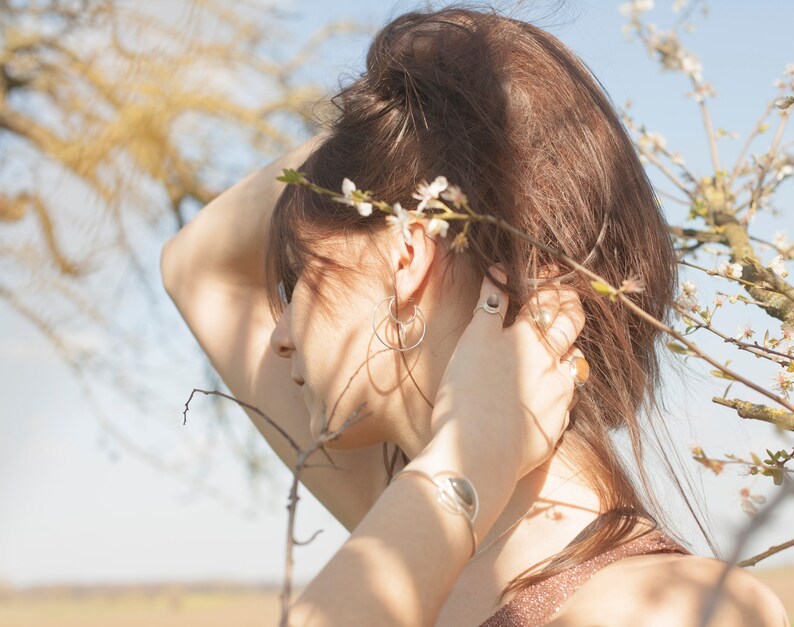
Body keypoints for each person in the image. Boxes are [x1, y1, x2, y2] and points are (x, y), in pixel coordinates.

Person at [160, 7, 788, 626]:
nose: (281, 337)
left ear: (406, 253)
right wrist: (410, 121)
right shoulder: (423, 530)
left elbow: (201, 267)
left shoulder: (664, 610)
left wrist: (464, 464)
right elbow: (195, 264)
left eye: (297, 281)